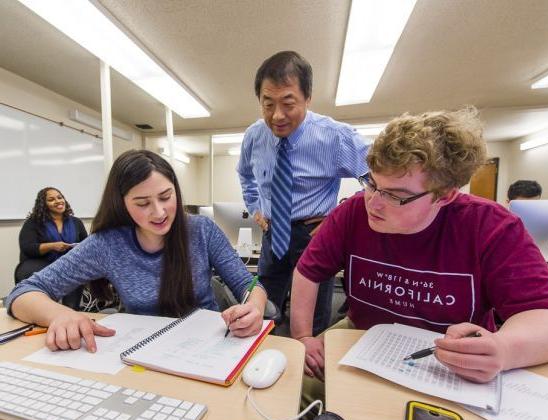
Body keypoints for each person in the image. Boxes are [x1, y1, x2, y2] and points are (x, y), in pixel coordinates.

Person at [291, 107, 548, 385]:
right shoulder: (353, 212)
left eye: (396, 195)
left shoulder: (490, 226)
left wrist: (504, 349)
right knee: (297, 384)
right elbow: (307, 272)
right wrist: (303, 337)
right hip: (362, 336)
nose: (373, 203)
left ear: (444, 196)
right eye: (371, 183)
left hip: (449, 357)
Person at [7, 150, 266, 352]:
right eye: (142, 203)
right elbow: (22, 294)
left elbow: (249, 285)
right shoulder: (107, 244)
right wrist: (62, 315)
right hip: (141, 350)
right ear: (122, 205)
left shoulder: (200, 230)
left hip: (208, 346)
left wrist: (254, 306)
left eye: (166, 196)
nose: (159, 212)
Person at [237, 50, 369, 335]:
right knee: (263, 306)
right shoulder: (254, 136)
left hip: (313, 235)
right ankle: (259, 358)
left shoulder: (335, 137)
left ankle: (308, 372)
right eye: (267, 103)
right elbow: (245, 175)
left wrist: (339, 219)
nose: (277, 115)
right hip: (273, 233)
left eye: (288, 103)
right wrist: (255, 206)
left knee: (310, 320)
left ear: (307, 98)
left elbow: (379, 179)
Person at [16, 187, 88, 310]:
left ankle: (71, 310)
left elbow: (86, 244)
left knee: (75, 271)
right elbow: (27, 247)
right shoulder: (33, 223)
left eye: (60, 197)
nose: (58, 201)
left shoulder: (76, 222)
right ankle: (42, 311)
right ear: (43, 204)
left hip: (69, 264)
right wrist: (52, 246)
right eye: (51, 199)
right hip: (41, 264)